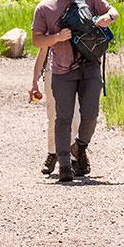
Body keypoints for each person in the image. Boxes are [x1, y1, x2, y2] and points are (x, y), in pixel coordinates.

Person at [31, 0, 118, 182]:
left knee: (91, 115)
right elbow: (36, 40)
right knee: (63, 118)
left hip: (90, 65)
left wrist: (107, 18)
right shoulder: (45, 8)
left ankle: (80, 147)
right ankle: (65, 165)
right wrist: (57, 37)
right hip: (62, 70)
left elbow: (114, 11)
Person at [29, 35, 77, 176]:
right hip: (53, 69)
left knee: (76, 116)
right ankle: (52, 152)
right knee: (54, 116)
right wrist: (34, 82)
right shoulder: (51, 14)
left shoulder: (84, 13)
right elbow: (43, 48)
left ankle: (75, 156)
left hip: (80, 68)